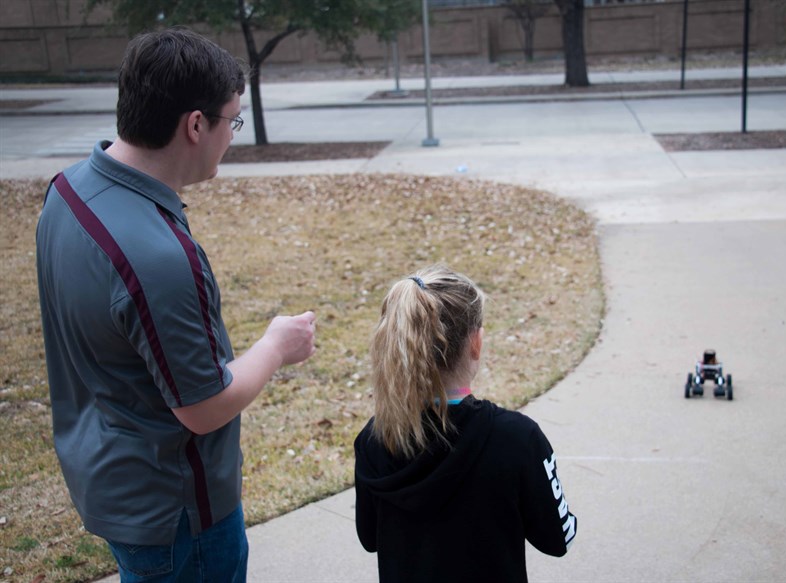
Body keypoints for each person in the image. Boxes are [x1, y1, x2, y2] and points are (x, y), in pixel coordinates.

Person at [35, 28, 316, 581]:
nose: (232, 136)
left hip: (112, 482)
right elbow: (203, 406)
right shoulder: (159, 259)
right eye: (231, 121)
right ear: (194, 124)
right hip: (179, 517)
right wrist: (276, 347)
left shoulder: (67, 190)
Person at [354, 265, 577, 583]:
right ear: (475, 342)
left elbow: (369, 537)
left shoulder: (376, 438)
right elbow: (558, 538)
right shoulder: (516, 437)